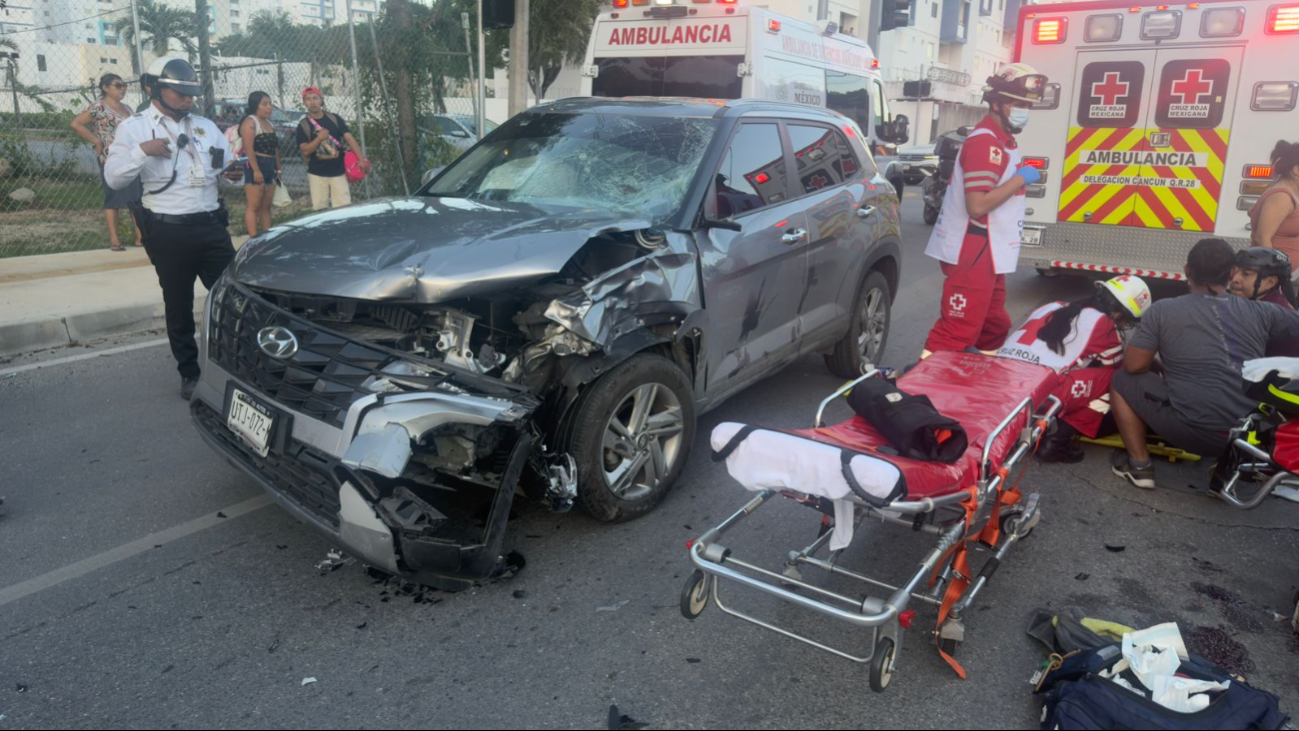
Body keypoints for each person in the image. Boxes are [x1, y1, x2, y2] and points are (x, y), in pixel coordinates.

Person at [1109, 238, 1299, 489]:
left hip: (1192, 434)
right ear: (1232, 273)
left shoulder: (1163, 310)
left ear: (1187, 270)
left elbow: (1133, 366)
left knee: (1121, 380)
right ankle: (1228, 462)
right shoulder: (1263, 312)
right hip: (1249, 436)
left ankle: (1140, 466)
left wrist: (1163, 367)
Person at [104, 56, 241, 401]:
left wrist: (234, 175)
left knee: (234, 300)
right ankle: (190, 373)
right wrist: (142, 151)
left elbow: (226, 167)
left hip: (212, 227)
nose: (187, 99)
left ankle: (238, 365)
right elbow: (114, 176)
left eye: (191, 93)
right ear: (154, 89)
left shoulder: (206, 126)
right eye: (179, 93)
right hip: (168, 231)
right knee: (178, 304)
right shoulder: (134, 128)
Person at [922, 64, 1047, 358]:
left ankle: (975, 382)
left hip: (991, 249)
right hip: (974, 246)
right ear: (996, 103)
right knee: (958, 329)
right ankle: (919, 394)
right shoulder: (985, 143)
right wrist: (1020, 178)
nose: (1024, 110)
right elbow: (977, 206)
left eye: (1028, 105)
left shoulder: (1003, 142)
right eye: (1018, 104)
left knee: (994, 326)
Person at [997, 275, 1153, 463]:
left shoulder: (1053, 305)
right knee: (1116, 378)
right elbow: (1122, 366)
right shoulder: (1103, 325)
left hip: (1001, 380)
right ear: (1118, 314)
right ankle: (1057, 440)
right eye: (1126, 321)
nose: (1123, 326)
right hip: (1035, 390)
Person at [70, 73, 143, 251]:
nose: (123, 88)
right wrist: (96, 141)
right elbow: (76, 123)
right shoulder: (98, 107)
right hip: (111, 158)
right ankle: (114, 240)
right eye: (118, 85)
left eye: (124, 85)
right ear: (105, 88)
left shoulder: (127, 108)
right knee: (113, 197)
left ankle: (141, 237)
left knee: (136, 197)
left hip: (132, 158)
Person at [295, 86, 363, 210]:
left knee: (344, 207)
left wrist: (361, 159)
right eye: (308, 99)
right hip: (317, 173)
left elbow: (349, 138)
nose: (312, 102)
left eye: (315, 98)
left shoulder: (334, 119)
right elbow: (305, 151)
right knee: (320, 209)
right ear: (304, 103)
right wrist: (319, 138)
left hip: (338, 171)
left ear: (321, 100)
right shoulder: (303, 125)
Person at [1229, 247, 1299, 357]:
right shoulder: (1275, 301)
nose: (1235, 279)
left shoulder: (1267, 315)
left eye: (1246, 274)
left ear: (1270, 282)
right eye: (1235, 272)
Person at [1248, 140, 1299, 271]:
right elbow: (1262, 238)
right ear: (1296, 170)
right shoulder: (1281, 197)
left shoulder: (1289, 193)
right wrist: (1275, 272)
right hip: (1271, 276)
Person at [239, 91, 282, 237]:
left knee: (266, 206)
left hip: (270, 165)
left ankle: (266, 238)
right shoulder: (250, 123)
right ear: (255, 106)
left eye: (270, 104)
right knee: (254, 205)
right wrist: (256, 170)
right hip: (256, 164)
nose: (269, 107)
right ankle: (253, 239)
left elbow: (275, 148)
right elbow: (248, 148)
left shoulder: (269, 123)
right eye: (264, 104)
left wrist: (278, 168)